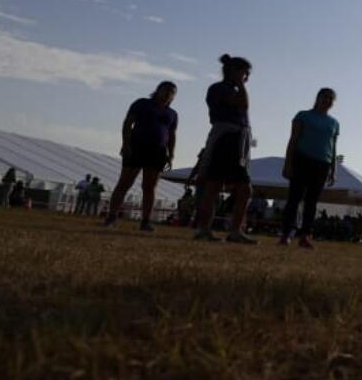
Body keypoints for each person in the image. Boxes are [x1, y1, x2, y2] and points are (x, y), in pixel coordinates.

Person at [193, 54, 257, 244]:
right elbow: (243, 104)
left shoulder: (233, 89)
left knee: (245, 188)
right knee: (213, 185)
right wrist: (241, 84)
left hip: (240, 138)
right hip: (225, 137)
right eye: (245, 73)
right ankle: (204, 229)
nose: (247, 78)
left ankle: (235, 231)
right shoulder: (218, 89)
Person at [102, 81, 178, 231]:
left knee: (150, 187)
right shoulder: (142, 104)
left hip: (158, 151)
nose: (168, 94)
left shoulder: (172, 114)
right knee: (124, 183)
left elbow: (172, 134)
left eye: (172, 92)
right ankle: (111, 216)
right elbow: (128, 123)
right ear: (158, 90)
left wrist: (171, 154)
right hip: (137, 146)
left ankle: (145, 221)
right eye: (166, 90)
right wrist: (125, 144)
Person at [279, 88, 340, 249]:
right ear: (318, 98)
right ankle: (286, 234)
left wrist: (333, 169)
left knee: (311, 202)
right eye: (325, 97)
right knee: (294, 198)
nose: (327, 101)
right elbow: (293, 139)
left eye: (330, 99)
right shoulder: (303, 116)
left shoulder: (334, 123)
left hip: (322, 163)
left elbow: (333, 147)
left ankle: (305, 235)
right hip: (302, 159)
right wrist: (288, 163)